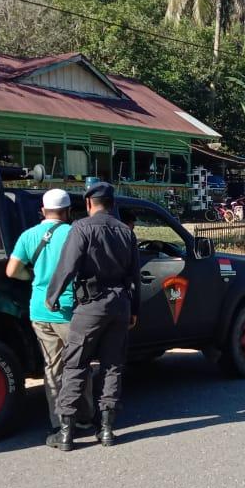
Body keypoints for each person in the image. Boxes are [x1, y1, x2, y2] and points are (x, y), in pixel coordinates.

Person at [45, 182, 140, 450]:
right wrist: (134, 310)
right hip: (120, 305)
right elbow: (135, 277)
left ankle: (66, 434)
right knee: (112, 367)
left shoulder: (81, 228)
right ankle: (107, 430)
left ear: (89, 204)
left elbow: (67, 266)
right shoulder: (126, 232)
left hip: (89, 307)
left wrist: (52, 297)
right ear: (112, 204)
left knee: (76, 366)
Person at [5, 189, 76, 435]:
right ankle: (84, 416)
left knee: (52, 367)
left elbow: (12, 271)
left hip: (39, 310)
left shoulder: (28, 235)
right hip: (69, 310)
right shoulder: (74, 234)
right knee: (79, 364)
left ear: (42, 211)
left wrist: (33, 277)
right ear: (68, 211)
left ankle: (59, 421)